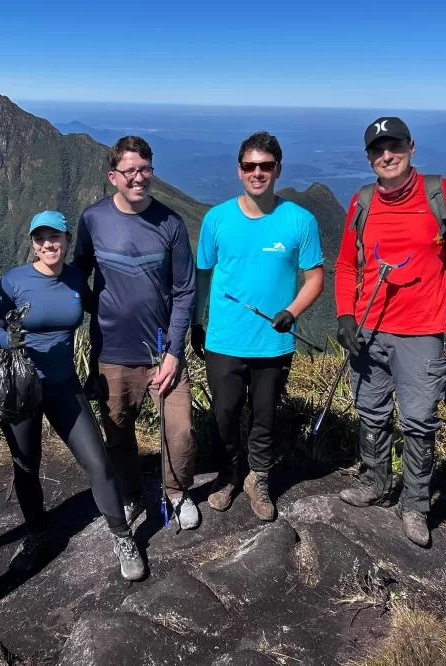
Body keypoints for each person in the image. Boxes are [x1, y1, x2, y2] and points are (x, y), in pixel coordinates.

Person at [334, 116, 446, 547]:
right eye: (377, 150)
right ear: (369, 157)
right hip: (369, 329)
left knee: (420, 422)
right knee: (370, 411)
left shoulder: (442, 195)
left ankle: (415, 504)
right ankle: (374, 482)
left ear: (411, 147)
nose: (387, 156)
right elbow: (347, 265)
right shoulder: (363, 201)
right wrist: (345, 316)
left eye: (395, 147)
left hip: (423, 331)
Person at [0, 210, 147, 581]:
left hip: (63, 384)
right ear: (32, 243)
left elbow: (103, 309)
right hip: (22, 388)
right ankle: (35, 535)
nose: (48, 245)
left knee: (98, 462)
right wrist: (7, 339)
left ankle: (122, 536)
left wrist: (145, 300)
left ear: (66, 240)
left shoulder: (76, 277)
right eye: (41, 239)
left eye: (55, 237)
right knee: (26, 467)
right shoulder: (14, 281)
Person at [191, 131, 324, 522]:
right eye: (250, 166)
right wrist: (198, 323)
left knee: (265, 415)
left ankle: (259, 477)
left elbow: (315, 278)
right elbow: (202, 276)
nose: (258, 173)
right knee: (225, 414)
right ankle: (231, 473)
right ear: (239, 170)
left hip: (273, 342)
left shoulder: (300, 220)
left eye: (265, 166)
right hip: (224, 340)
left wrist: (292, 311)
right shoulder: (216, 219)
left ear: (278, 170)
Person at [73, 136, 199, 529]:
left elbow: (185, 290)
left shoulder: (171, 223)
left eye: (145, 169)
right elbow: (79, 273)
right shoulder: (93, 220)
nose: (139, 178)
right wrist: (98, 307)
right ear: (114, 177)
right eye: (130, 171)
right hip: (112, 351)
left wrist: (175, 351)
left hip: (163, 352)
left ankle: (177, 493)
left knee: (179, 431)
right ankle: (130, 494)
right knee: (118, 432)